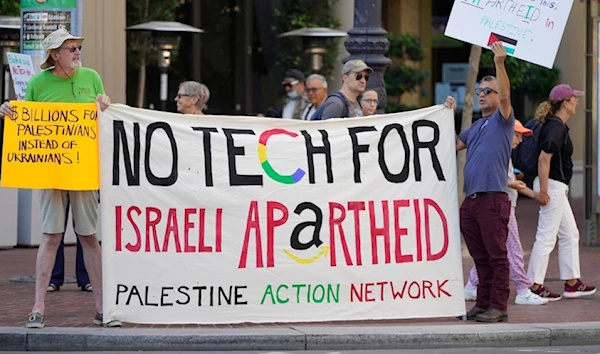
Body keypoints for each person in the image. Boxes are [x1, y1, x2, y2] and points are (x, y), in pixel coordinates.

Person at [0, 28, 119, 328]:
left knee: (89, 237)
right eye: (71, 48)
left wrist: (104, 106)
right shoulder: (39, 84)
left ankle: (103, 309)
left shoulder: (92, 78)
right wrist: (10, 111)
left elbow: (101, 121)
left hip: (83, 172)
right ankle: (37, 308)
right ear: (55, 55)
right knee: (51, 237)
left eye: (78, 47)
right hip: (50, 173)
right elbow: (28, 122)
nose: (77, 52)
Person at [455, 42, 514, 323]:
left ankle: (499, 305)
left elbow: (505, 97)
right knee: (480, 258)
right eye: (478, 91)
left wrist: (499, 64)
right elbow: (450, 144)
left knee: (496, 256)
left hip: (492, 198)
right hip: (472, 202)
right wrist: (444, 113)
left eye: (486, 91)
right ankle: (483, 303)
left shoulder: (503, 120)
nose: (481, 95)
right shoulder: (476, 126)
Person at [464, 120, 548, 306]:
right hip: (502, 206)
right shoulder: (498, 154)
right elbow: (496, 177)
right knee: (513, 249)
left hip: (504, 206)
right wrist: (516, 185)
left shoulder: (505, 157)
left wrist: (536, 195)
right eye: (517, 135)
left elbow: (510, 181)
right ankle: (522, 289)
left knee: (493, 250)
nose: (520, 140)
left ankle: (471, 286)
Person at [526, 84, 596, 300]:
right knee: (546, 236)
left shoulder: (556, 125)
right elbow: (543, 159)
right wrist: (545, 191)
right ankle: (533, 285)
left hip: (556, 186)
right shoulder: (555, 127)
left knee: (570, 234)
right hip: (551, 186)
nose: (577, 101)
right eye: (574, 98)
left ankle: (572, 282)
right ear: (565, 103)